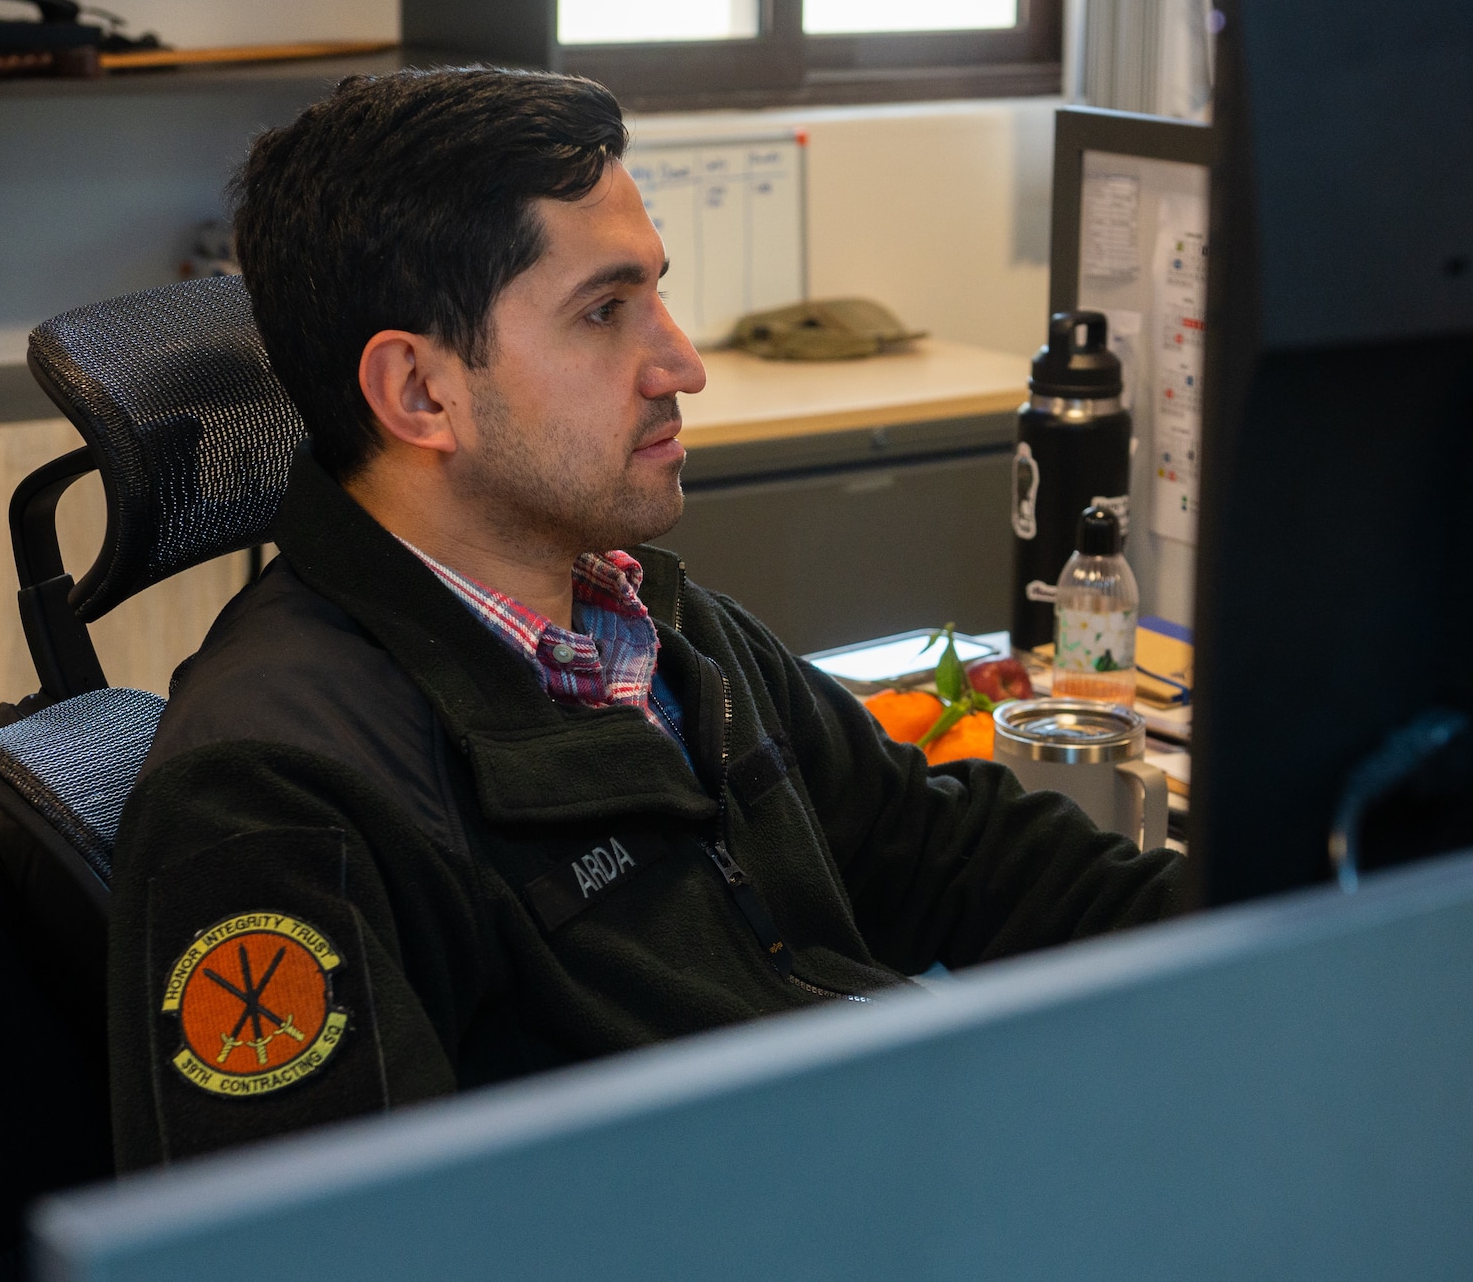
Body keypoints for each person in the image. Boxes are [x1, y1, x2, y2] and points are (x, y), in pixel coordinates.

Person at [107, 66, 1188, 1171]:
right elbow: (324, 1247)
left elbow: (954, 858)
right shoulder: (275, 797)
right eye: (604, 311)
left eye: (656, 296)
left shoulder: (652, 632)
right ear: (419, 392)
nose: (683, 364)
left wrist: (1273, 926)